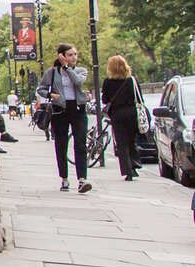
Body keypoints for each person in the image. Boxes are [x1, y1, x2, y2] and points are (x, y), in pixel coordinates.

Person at [37, 44, 93, 193]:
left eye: (75, 54)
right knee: (61, 145)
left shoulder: (80, 71)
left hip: (78, 109)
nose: (74, 57)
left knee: (80, 144)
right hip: (60, 110)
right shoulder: (52, 73)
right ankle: (64, 179)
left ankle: (82, 179)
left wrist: (67, 68)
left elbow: (78, 82)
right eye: (70, 55)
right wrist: (50, 95)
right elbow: (41, 88)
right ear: (61, 56)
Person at [101, 54, 143, 181]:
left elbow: (105, 99)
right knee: (131, 140)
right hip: (131, 112)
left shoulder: (108, 82)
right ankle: (134, 165)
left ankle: (127, 171)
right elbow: (139, 97)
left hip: (117, 114)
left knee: (121, 142)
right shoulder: (132, 80)